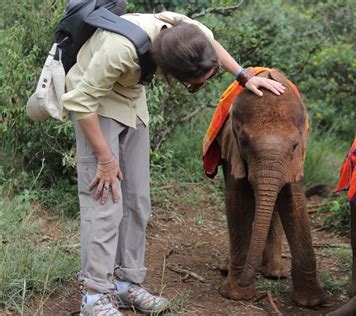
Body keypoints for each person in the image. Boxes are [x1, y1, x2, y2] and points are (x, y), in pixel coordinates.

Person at [62, 11, 285, 316]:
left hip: (131, 100)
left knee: (138, 200)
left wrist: (244, 76)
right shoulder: (120, 51)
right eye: (195, 85)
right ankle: (95, 294)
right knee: (106, 199)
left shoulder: (187, 32)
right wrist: (105, 159)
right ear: (169, 72)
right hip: (95, 105)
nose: (201, 85)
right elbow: (80, 101)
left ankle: (127, 284)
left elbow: (212, 43)